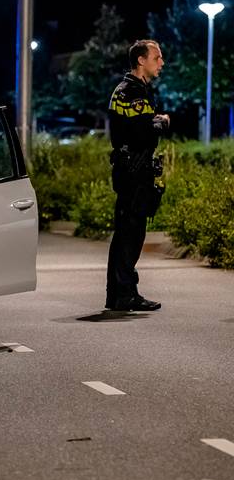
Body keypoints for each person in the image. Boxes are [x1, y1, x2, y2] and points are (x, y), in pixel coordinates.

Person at [105, 39, 170, 312]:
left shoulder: (137, 90)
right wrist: (162, 121)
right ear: (141, 60)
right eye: (157, 57)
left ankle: (122, 292)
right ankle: (124, 294)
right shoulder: (129, 92)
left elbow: (144, 123)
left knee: (129, 233)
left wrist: (154, 121)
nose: (161, 62)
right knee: (130, 233)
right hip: (132, 170)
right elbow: (142, 128)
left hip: (135, 168)